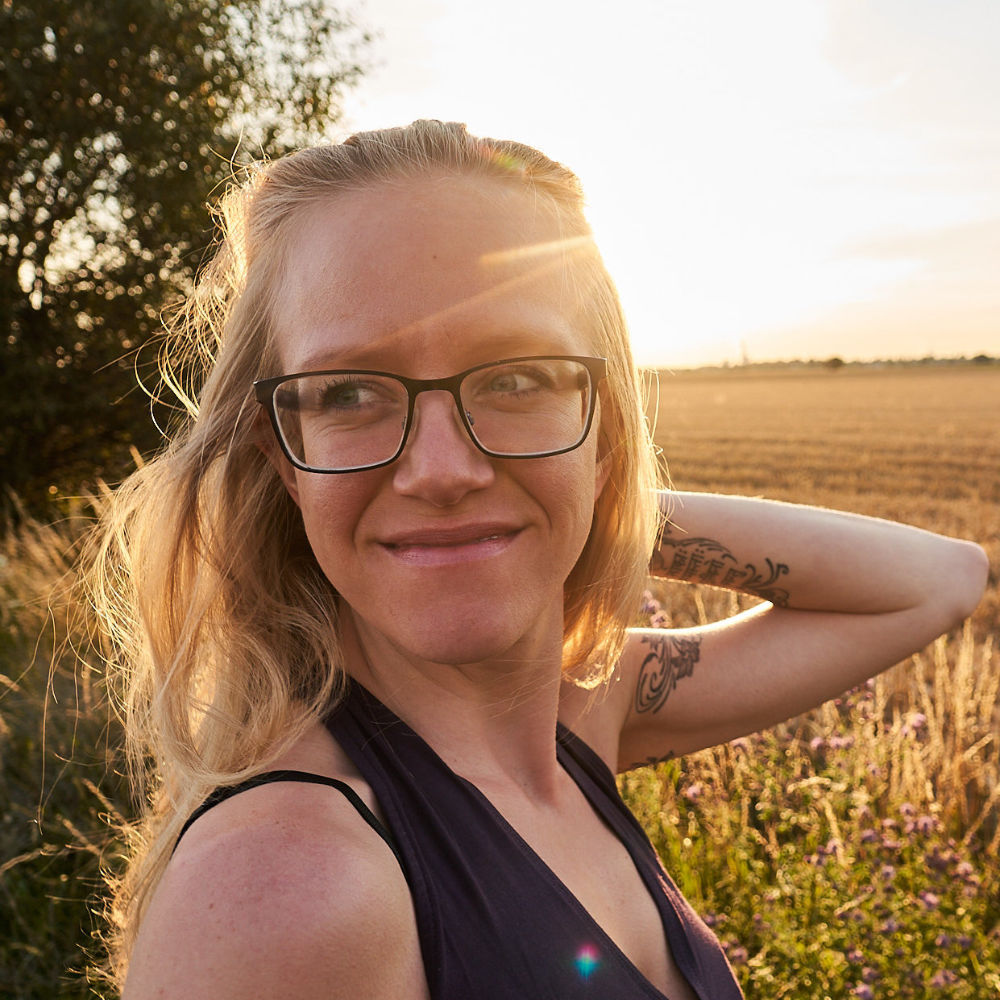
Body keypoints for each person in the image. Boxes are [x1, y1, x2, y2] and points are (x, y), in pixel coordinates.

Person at [88, 120, 988, 1000]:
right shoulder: (289, 890)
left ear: (606, 424)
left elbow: (938, 581)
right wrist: (543, 492)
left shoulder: (581, 710)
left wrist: (582, 496)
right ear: (279, 457)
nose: (440, 471)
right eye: (350, 392)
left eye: (517, 378)